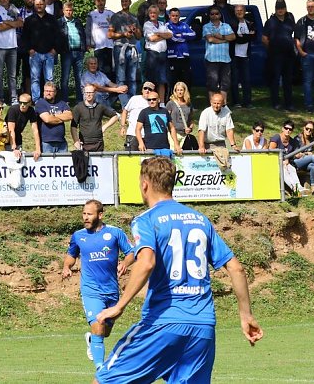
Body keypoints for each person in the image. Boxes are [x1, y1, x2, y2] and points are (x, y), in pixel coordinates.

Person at [93, 156, 262, 384]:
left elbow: (146, 262)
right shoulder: (200, 220)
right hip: (203, 327)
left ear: (145, 184)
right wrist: (246, 315)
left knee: (104, 381)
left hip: (163, 323)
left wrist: (119, 306)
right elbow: (236, 268)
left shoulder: (147, 219)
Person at [63, 200, 134, 372]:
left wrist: (125, 263)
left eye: (89, 214)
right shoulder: (78, 236)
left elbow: (132, 252)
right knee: (97, 325)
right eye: (84, 214)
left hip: (111, 291)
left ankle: (91, 340)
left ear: (100, 215)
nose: (85, 217)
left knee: (104, 331)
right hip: (91, 291)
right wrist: (66, 267)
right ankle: (100, 369)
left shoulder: (115, 233)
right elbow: (71, 255)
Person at [22, 0, 62, 103]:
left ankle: (49, 99)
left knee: (49, 79)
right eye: (37, 4)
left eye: (41, 4)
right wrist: (29, 49)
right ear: (34, 6)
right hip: (35, 54)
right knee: (35, 79)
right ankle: (36, 100)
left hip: (49, 53)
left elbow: (58, 35)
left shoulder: (52, 19)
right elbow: (24, 37)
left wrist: (55, 49)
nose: (39, 6)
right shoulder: (29, 20)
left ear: (45, 5)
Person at [262, 0, 297, 111]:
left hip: (289, 54)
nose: (280, 10)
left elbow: (294, 34)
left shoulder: (290, 20)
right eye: (278, 8)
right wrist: (271, 48)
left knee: (288, 81)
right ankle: (276, 103)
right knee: (275, 80)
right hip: (275, 55)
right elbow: (264, 38)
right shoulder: (270, 21)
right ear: (275, 9)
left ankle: (289, 104)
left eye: (282, 8)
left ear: (285, 8)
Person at [0, 0, 23, 105]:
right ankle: (0, 99)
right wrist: (12, 23)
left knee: (12, 75)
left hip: (12, 46)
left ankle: (14, 98)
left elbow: (21, 23)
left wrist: (6, 22)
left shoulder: (14, 9)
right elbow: (0, 27)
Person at [108, 0, 140, 107]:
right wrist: (123, 34)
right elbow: (110, 34)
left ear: (130, 2)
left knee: (132, 78)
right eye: (122, 1)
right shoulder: (116, 16)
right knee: (121, 77)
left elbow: (139, 36)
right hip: (120, 48)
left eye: (126, 1)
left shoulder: (134, 17)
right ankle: (125, 105)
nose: (124, 3)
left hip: (132, 49)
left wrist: (135, 30)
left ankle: (133, 105)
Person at [71, 84, 120, 152]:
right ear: (84, 93)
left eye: (90, 92)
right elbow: (73, 126)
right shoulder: (78, 108)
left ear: (95, 93)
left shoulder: (100, 107)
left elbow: (115, 116)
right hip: (84, 143)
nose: (88, 94)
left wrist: (104, 127)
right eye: (86, 92)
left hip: (98, 143)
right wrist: (76, 141)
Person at [202, 6, 236, 101]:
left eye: (216, 13)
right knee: (212, 83)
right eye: (212, 14)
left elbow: (233, 37)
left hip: (225, 59)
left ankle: (223, 104)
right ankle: (213, 104)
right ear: (209, 15)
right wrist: (225, 40)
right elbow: (210, 39)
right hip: (212, 59)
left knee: (225, 83)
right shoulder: (206, 26)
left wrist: (220, 36)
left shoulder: (226, 26)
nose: (214, 15)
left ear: (220, 15)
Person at [60, 2, 88, 103]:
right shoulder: (60, 22)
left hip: (79, 53)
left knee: (79, 78)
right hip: (67, 52)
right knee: (65, 78)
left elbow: (83, 35)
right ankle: (64, 100)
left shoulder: (77, 22)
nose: (69, 12)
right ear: (63, 11)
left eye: (70, 10)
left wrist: (84, 48)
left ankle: (79, 100)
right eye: (67, 10)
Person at [142, 5, 172, 101]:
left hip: (162, 54)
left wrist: (158, 34)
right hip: (152, 54)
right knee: (152, 80)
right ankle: (150, 101)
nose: (153, 15)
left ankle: (162, 102)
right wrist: (163, 35)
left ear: (158, 14)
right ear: (149, 14)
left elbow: (170, 34)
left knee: (162, 80)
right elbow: (151, 38)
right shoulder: (147, 25)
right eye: (151, 13)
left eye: (155, 13)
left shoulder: (162, 24)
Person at [35, 81, 73, 154]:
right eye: (46, 91)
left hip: (62, 142)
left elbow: (69, 116)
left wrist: (53, 115)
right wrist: (61, 118)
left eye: (50, 91)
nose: (48, 93)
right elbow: (47, 119)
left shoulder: (61, 103)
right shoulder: (40, 104)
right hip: (46, 142)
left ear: (55, 92)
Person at [231, 4, 256, 107]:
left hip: (245, 56)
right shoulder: (232, 23)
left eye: (241, 10)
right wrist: (246, 36)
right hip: (234, 56)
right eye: (237, 10)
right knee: (235, 80)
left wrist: (242, 37)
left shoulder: (249, 23)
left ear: (244, 11)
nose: (239, 12)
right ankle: (236, 102)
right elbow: (234, 38)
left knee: (246, 80)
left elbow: (253, 36)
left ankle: (247, 102)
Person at [86, 0, 115, 82]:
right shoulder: (91, 14)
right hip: (98, 46)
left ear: (105, 2)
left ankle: (111, 91)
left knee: (110, 69)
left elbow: (116, 27)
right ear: (95, 2)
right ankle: (102, 91)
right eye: (98, 1)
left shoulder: (111, 14)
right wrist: (88, 43)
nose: (100, 3)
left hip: (110, 45)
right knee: (100, 69)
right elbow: (88, 29)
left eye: (102, 0)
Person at [165, 7, 196, 89]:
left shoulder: (184, 25)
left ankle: (186, 100)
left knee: (186, 80)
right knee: (173, 81)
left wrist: (182, 35)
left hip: (184, 56)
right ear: (169, 16)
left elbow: (193, 34)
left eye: (177, 15)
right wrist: (184, 37)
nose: (175, 17)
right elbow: (171, 38)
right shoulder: (166, 26)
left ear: (179, 16)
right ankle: (172, 100)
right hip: (172, 57)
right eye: (173, 16)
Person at [6, 93, 42, 160]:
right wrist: (14, 148)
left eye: (25, 103)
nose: (22, 105)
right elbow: (11, 130)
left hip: (18, 138)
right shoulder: (13, 109)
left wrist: (38, 149)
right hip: (7, 138)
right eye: (20, 102)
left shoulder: (31, 111)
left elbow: (35, 130)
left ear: (30, 103)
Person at [120, 83, 153, 151]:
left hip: (147, 136)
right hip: (132, 134)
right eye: (145, 88)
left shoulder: (153, 102)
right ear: (142, 90)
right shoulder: (134, 99)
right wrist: (123, 126)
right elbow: (125, 111)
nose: (147, 91)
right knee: (129, 157)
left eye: (150, 89)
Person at [165, 81, 193, 148]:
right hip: (173, 133)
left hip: (184, 134)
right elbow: (166, 118)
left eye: (181, 90)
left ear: (184, 91)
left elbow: (191, 120)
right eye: (178, 90)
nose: (179, 92)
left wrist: (190, 128)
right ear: (175, 91)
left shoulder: (189, 104)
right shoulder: (170, 103)